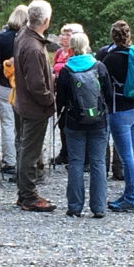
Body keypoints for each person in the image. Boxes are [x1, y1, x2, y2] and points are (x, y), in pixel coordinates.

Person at [55, 32, 113, 217]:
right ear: (87, 46)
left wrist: (61, 119)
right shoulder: (99, 66)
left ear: (71, 49)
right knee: (98, 162)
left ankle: (74, 207)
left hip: (74, 122)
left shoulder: (66, 70)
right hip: (98, 121)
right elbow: (109, 94)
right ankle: (99, 207)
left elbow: (60, 100)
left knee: (76, 163)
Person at [13, 0, 57, 212]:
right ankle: (29, 196)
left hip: (24, 103)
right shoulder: (33, 47)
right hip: (34, 107)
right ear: (46, 20)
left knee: (26, 149)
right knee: (30, 152)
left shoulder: (23, 35)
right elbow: (36, 85)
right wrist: (51, 101)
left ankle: (24, 194)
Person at [97, 21, 134, 213]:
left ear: (112, 36)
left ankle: (131, 197)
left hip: (119, 110)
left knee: (127, 156)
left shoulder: (111, 59)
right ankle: (133, 192)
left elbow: (103, 84)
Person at [0, 4, 28, 176]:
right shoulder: (28, 38)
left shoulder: (3, 37)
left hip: (5, 84)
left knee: (7, 123)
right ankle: (24, 158)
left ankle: (10, 160)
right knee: (24, 124)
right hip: (23, 86)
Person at [51, 22, 83, 166]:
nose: (63, 37)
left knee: (71, 123)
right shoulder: (59, 52)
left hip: (72, 91)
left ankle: (73, 153)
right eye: (62, 34)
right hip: (59, 91)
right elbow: (53, 68)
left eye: (67, 35)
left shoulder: (75, 54)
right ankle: (64, 152)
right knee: (61, 122)